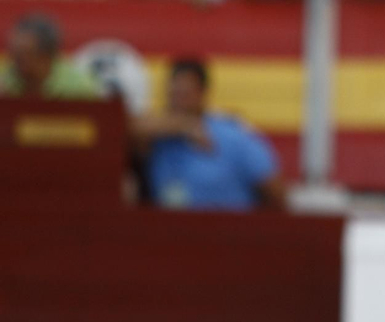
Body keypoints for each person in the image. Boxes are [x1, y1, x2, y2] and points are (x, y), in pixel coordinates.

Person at [137, 58, 284, 210]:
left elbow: (275, 192)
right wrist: (184, 125)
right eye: (173, 94)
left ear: (202, 92)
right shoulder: (158, 137)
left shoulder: (233, 137)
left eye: (185, 94)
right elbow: (127, 128)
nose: (177, 102)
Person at [0, 12, 102, 98]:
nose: (15, 63)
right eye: (14, 54)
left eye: (24, 55)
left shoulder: (78, 89)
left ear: (47, 56)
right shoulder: (6, 81)